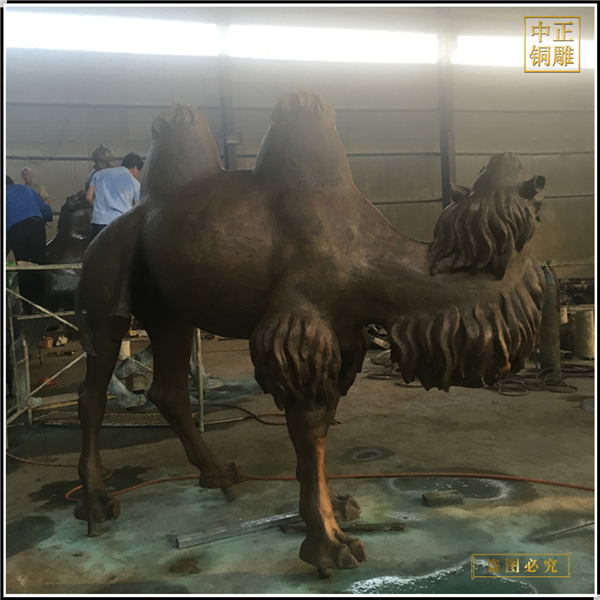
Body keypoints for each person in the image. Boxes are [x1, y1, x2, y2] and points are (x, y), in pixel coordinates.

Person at [6, 175, 53, 312]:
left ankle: (27, 307)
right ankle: (43, 304)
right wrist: (48, 216)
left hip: (15, 230)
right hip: (35, 224)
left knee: (22, 265)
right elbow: (45, 209)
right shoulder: (25, 188)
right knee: (40, 263)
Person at [86, 152, 144, 239]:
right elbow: (136, 208)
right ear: (135, 168)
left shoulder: (99, 174)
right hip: (121, 223)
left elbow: (89, 197)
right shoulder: (135, 183)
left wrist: (99, 209)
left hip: (99, 222)